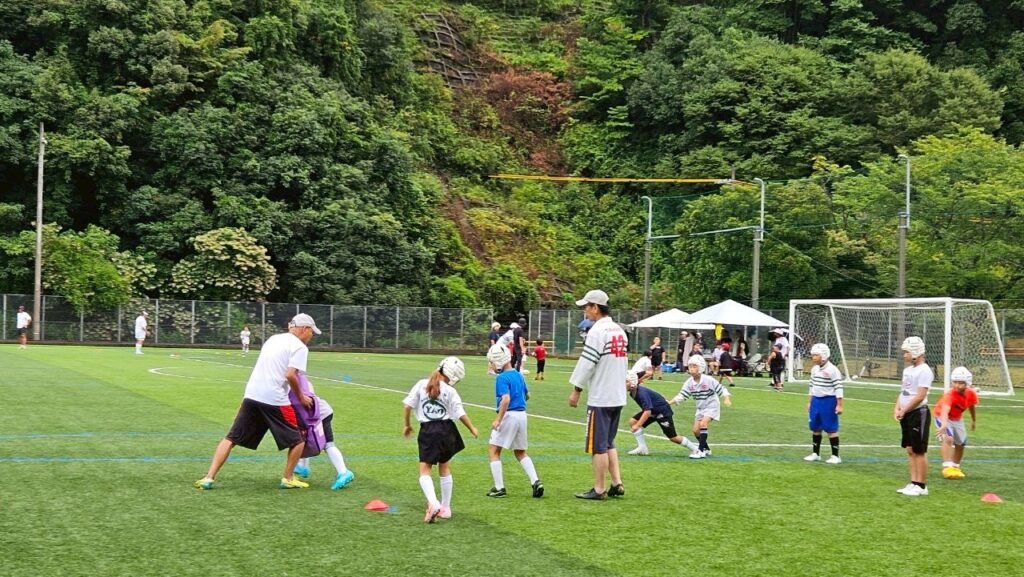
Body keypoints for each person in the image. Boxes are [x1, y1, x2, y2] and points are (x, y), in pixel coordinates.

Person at [194, 314, 321, 490]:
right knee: (298, 440)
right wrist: (301, 397)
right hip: (275, 398)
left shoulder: (273, 339)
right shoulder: (300, 347)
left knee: (231, 438)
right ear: (305, 329)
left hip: (253, 394)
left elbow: (263, 369)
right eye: (312, 332)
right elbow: (291, 375)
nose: (312, 336)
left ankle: (208, 478)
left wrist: (243, 402)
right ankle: (288, 478)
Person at [402, 356, 479, 523]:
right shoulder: (451, 391)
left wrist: (407, 425)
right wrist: (472, 428)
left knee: (425, 470)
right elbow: (459, 413)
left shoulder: (422, 384)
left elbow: (407, 406)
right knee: (444, 467)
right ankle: (446, 508)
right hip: (447, 430)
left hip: (428, 431)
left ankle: (433, 503)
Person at [568, 289, 628, 500]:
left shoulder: (597, 332)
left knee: (598, 446)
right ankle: (617, 482)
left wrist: (576, 389)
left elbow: (587, 363)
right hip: (617, 395)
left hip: (601, 396)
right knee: (609, 442)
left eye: (586, 306)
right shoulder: (619, 330)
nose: (585, 310)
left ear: (595, 307)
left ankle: (599, 488)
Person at [485, 344, 544, 499]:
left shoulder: (501, 378)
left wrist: (498, 419)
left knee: (493, 450)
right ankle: (536, 481)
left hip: (508, 416)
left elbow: (506, 399)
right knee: (520, 452)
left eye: (492, 362)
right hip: (522, 415)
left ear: (498, 361)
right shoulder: (519, 375)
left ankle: (499, 487)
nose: (491, 365)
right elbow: (527, 395)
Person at [291, 374, 355, 491]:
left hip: (321, 415)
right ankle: (302, 467)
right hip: (315, 415)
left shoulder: (294, 379)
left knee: (328, 444)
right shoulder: (299, 378)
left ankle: (344, 472)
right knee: (304, 440)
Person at [669, 355, 732, 459]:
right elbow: (682, 395)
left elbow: (721, 389)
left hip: (712, 406)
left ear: (701, 367)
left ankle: (700, 451)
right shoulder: (689, 383)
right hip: (701, 408)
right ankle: (707, 449)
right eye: (690, 366)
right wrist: (670, 402)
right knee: (695, 431)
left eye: (694, 366)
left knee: (703, 423)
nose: (691, 368)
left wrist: (726, 398)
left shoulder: (708, 380)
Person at [626, 372, 699, 456]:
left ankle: (696, 449)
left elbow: (647, 411)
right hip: (654, 410)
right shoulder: (633, 391)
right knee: (633, 421)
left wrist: (638, 425)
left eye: (626, 381)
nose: (623, 384)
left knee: (673, 437)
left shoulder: (640, 393)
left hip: (662, 412)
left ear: (632, 383)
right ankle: (642, 448)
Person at [895, 336, 933, 496]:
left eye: (907, 352)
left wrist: (904, 410)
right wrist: (897, 407)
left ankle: (921, 485)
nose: (904, 355)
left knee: (919, 450)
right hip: (907, 413)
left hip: (918, 413)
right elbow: (904, 391)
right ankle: (913, 482)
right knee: (910, 449)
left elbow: (920, 396)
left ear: (915, 352)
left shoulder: (925, 370)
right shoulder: (907, 371)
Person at [934, 366, 979, 480]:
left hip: (957, 418)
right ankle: (947, 467)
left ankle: (955, 466)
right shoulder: (950, 395)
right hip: (942, 416)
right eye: (955, 382)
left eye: (961, 383)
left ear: (967, 383)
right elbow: (945, 410)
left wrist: (973, 420)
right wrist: (944, 424)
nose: (957, 385)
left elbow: (971, 406)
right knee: (948, 438)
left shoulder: (971, 393)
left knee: (961, 443)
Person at [803, 343, 844, 464]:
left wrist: (839, 404)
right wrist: (809, 402)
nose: (813, 357)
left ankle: (835, 456)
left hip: (828, 401)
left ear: (824, 356)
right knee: (815, 427)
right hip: (816, 400)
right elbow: (812, 386)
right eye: (813, 355)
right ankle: (816, 453)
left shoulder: (832, 370)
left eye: (816, 355)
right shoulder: (814, 369)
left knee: (831, 428)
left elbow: (838, 387)